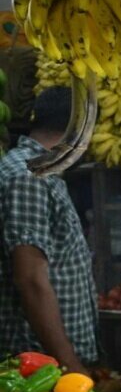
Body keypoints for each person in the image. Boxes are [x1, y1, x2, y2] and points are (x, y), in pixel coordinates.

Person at [0, 87, 96, 374]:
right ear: (80, 128)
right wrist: (70, 366)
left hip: (47, 362)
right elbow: (30, 279)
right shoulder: (29, 177)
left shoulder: (41, 172)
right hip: (39, 366)